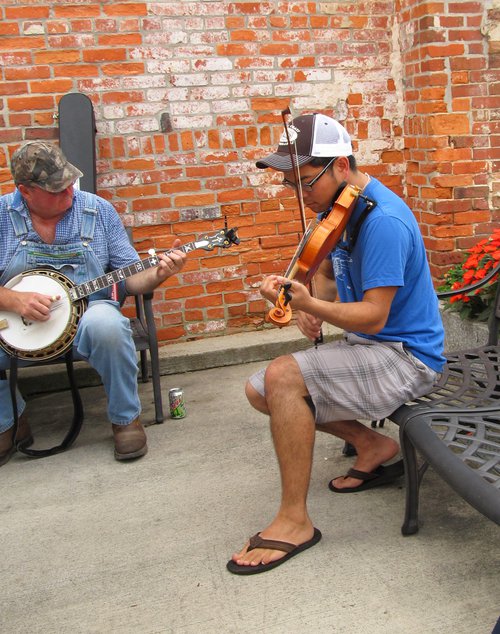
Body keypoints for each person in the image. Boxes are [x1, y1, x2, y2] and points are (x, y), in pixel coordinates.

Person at [227, 113, 446, 575]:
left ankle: (294, 520)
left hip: (406, 357)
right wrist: (303, 303)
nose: (300, 195)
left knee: (283, 376)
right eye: (292, 185)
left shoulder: (382, 220)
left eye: (306, 182)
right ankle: (374, 447)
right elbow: (325, 280)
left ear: (342, 165)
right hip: (368, 346)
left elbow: (374, 314)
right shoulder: (339, 210)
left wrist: (315, 305)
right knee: (259, 389)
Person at [0, 141, 186, 466]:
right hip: (16, 327)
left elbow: (130, 279)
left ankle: (125, 419)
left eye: (69, 183)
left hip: (87, 316)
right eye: (56, 190)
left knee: (108, 323)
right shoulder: (1, 216)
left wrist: (158, 274)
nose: (68, 193)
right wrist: (12, 299)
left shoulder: (97, 210)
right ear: (26, 191)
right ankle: (11, 421)